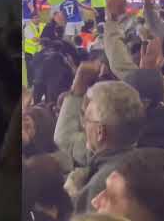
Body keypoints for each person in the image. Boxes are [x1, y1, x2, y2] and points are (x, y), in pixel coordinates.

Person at [54, 73, 146, 213]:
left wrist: (73, 200)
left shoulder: (99, 186)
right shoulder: (142, 162)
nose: (84, 126)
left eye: (87, 120)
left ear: (100, 132)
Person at [24, 12, 45, 88]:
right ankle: (30, 85)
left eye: (38, 17)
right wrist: (45, 40)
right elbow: (34, 39)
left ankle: (39, 85)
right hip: (30, 52)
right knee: (30, 70)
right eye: (35, 18)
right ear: (31, 19)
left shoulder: (43, 25)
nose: (37, 19)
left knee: (40, 69)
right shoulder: (28, 28)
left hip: (40, 52)